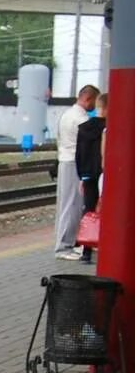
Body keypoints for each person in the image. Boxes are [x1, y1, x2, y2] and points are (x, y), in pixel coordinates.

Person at [55, 85, 100, 259]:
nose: (95, 107)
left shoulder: (67, 114)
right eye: (95, 102)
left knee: (67, 205)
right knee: (71, 206)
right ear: (88, 98)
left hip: (65, 160)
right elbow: (87, 145)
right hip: (74, 163)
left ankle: (68, 243)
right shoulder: (81, 119)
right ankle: (64, 247)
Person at [76, 93, 106, 263]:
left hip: (88, 174)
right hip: (103, 173)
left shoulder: (83, 128)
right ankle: (103, 244)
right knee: (104, 210)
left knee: (88, 210)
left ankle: (86, 251)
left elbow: (79, 155)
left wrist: (82, 175)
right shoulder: (110, 127)